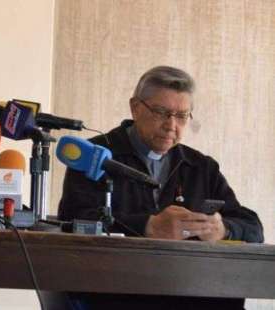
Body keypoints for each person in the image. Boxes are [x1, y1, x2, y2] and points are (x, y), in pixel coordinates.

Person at [58, 65, 263, 309]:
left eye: (182, 116)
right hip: (116, 290)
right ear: (135, 108)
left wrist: (223, 229)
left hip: (188, 289)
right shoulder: (95, 155)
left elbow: (253, 228)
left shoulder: (200, 166)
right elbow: (74, 220)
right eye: (161, 112)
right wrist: (148, 226)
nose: (171, 125)